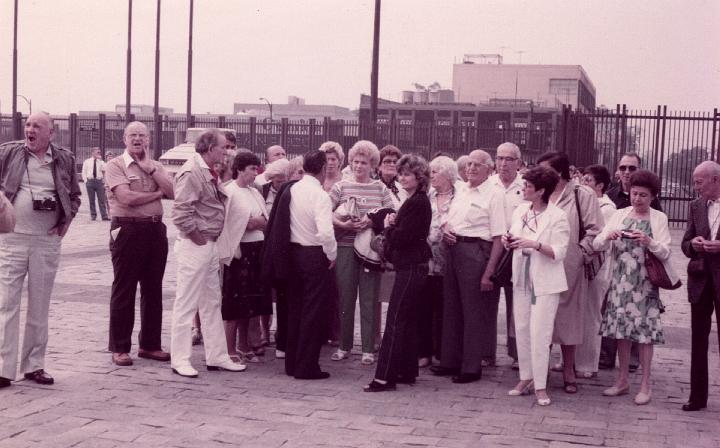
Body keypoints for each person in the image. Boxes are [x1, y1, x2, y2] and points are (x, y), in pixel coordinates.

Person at [0, 112, 81, 388]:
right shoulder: (8, 153)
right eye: (28, 125)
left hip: (46, 242)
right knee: (7, 303)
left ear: (51, 133)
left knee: (40, 304)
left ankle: (34, 365)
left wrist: (66, 221)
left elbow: (74, 195)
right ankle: (3, 368)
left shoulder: (64, 158)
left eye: (37, 126)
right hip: (11, 239)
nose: (30, 130)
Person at [170, 129, 246, 377]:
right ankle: (180, 359)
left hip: (208, 244)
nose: (227, 151)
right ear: (210, 147)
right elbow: (181, 213)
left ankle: (217, 356)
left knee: (212, 302)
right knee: (187, 302)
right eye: (223, 147)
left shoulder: (208, 171)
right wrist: (198, 239)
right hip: (197, 245)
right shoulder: (192, 172)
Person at [594, 169, 672, 405]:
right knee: (622, 332)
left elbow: (666, 252)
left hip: (646, 283)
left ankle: (645, 384)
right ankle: (622, 380)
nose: (637, 199)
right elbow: (597, 243)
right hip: (620, 282)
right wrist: (609, 236)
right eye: (635, 194)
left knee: (645, 335)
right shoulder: (619, 214)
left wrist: (649, 241)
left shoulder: (659, 218)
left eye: (643, 196)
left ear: (653, 197)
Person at [430, 149, 505, 383]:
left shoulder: (494, 195)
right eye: (469, 164)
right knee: (451, 308)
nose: (471, 168)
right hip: (453, 250)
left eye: (477, 165)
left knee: (472, 311)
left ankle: (471, 367)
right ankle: (450, 361)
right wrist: (446, 228)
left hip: (475, 252)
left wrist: (489, 272)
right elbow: (448, 217)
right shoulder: (462, 190)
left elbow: (498, 236)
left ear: (489, 169)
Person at [104, 121, 174, 367]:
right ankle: (120, 347)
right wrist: (157, 194)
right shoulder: (115, 165)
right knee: (125, 288)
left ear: (149, 140)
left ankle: (150, 344)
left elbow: (173, 191)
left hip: (155, 229)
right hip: (128, 229)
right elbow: (126, 198)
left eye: (142, 135)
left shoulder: (156, 166)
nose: (137, 139)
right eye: (132, 135)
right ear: (124, 139)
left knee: (153, 289)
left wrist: (151, 170)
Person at [264, 150, 337, 379]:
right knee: (313, 312)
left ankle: (292, 363)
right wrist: (332, 254)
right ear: (324, 169)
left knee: (295, 309)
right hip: (314, 255)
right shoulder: (320, 196)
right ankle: (307, 366)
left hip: (292, 254)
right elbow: (325, 232)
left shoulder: (292, 189)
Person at [364, 154, 432, 391]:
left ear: (419, 177)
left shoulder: (416, 202)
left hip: (411, 266)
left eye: (407, 174)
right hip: (414, 266)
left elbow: (403, 238)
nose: (401, 177)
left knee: (394, 320)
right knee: (407, 319)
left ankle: (384, 377)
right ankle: (405, 370)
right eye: (401, 173)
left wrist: (388, 227)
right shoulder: (415, 200)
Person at [537, 151, 602, 394]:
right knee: (542, 316)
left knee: (569, 318)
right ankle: (539, 368)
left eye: (545, 169)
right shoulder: (539, 192)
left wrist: (579, 255)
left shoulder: (581, 194)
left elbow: (596, 231)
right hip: (540, 261)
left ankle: (568, 370)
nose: (541, 174)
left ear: (559, 171)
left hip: (569, 265)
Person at [504, 166, 569, 406]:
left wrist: (536, 244)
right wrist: (508, 240)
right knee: (521, 328)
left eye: (528, 186)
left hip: (545, 281)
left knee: (540, 332)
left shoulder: (557, 216)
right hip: (521, 275)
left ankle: (541, 385)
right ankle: (526, 377)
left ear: (541, 191)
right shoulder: (521, 209)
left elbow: (560, 252)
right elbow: (513, 234)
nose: (524, 189)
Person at [329, 140, 394, 365]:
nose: (359, 166)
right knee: (346, 297)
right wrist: (343, 224)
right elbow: (325, 212)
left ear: (373, 165)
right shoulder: (340, 187)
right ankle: (344, 346)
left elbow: (393, 215)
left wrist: (372, 221)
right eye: (355, 161)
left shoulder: (380, 188)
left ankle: (367, 348)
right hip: (346, 247)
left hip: (370, 251)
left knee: (369, 298)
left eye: (364, 162)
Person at [601, 153, 662, 371]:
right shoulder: (612, 199)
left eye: (631, 167)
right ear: (617, 170)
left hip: (644, 276)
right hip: (619, 274)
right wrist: (610, 235)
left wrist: (649, 240)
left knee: (641, 323)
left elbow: (664, 246)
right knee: (616, 320)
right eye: (623, 167)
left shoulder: (656, 213)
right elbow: (601, 237)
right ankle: (608, 357)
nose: (627, 172)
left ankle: (635, 364)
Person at [217, 152, 270, 364]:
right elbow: (234, 223)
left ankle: (244, 345)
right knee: (234, 303)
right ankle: (229, 349)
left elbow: (265, 219)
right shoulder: (229, 192)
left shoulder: (254, 192)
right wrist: (251, 223)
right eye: (252, 169)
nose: (255, 173)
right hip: (239, 254)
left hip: (256, 250)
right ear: (240, 169)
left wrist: (254, 222)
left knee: (250, 304)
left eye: (257, 169)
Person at [681, 161, 720, 411]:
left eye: (699, 182)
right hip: (701, 281)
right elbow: (685, 244)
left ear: (715, 179)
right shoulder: (695, 206)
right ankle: (697, 397)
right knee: (698, 340)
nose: (695, 187)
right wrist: (693, 244)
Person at [575, 165, 617, 379]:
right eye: (583, 179)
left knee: (591, 313)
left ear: (600, 186)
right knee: (575, 312)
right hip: (580, 263)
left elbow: (602, 239)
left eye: (589, 181)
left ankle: (587, 363)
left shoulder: (607, 207)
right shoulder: (582, 201)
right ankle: (569, 359)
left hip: (596, 265)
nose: (584, 184)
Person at [417, 156, 457, 368]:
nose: (430, 176)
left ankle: (442, 352)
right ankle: (423, 352)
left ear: (448, 175)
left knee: (444, 308)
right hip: (427, 259)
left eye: (435, 172)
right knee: (424, 306)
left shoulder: (459, 197)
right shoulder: (427, 195)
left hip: (447, 259)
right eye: (430, 172)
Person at [488, 142, 525, 369]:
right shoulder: (488, 184)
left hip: (516, 250)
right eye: (499, 158)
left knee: (516, 303)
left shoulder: (526, 186)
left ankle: (517, 352)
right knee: (487, 301)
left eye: (509, 159)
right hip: (491, 248)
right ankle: (486, 351)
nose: (503, 163)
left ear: (519, 163)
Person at [318, 141, 345, 347]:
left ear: (340, 160)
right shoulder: (316, 181)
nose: (330, 163)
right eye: (326, 159)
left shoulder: (345, 181)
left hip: (340, 237)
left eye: (334, 159)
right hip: (318, 238)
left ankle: (337, 332)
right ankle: (322, 330)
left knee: (337, 289)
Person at [81, 147, 110, 221]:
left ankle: (104, 216)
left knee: (102, 200)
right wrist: (86, 181)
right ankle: (93, 215)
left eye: (99, 152)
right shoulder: (87, 161)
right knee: (91, 200)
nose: (99, 153)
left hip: (99, 182)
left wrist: (100, 160)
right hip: (90, 182)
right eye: (97, 152)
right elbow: (84, 172)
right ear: (93, 153)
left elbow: (105, 169)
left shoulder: (101, 162)